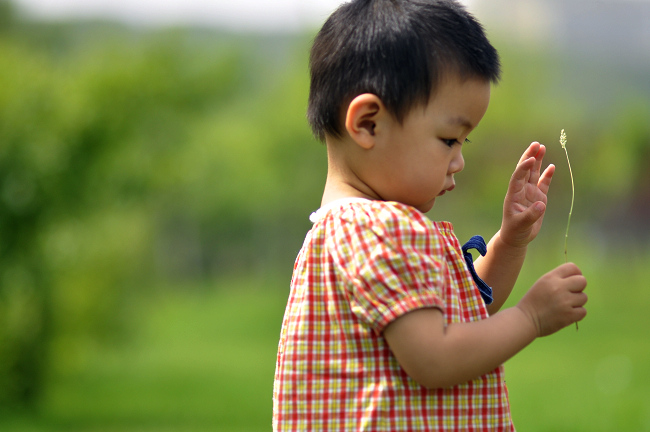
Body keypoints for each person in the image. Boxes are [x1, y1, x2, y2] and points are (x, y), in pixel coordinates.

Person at [272, 0, 588, 430]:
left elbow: (467, 316)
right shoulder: (380, 229)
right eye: (448, 139)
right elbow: (435, 357)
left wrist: (509, 241)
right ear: (368, 124)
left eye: (464, 143)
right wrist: (530, 317)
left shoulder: (344, 228)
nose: (458, 162)